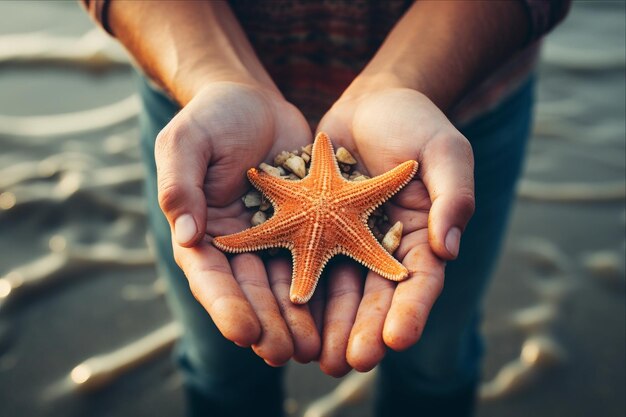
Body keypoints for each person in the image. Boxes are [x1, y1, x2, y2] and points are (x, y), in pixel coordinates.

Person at [82, 1, 570, 416]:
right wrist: (215, 75)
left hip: (461, 102)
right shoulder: (277, 181)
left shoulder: (355, 186)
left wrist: (405, 83)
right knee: (220, 364)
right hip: (195, 96)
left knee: (434, 361)